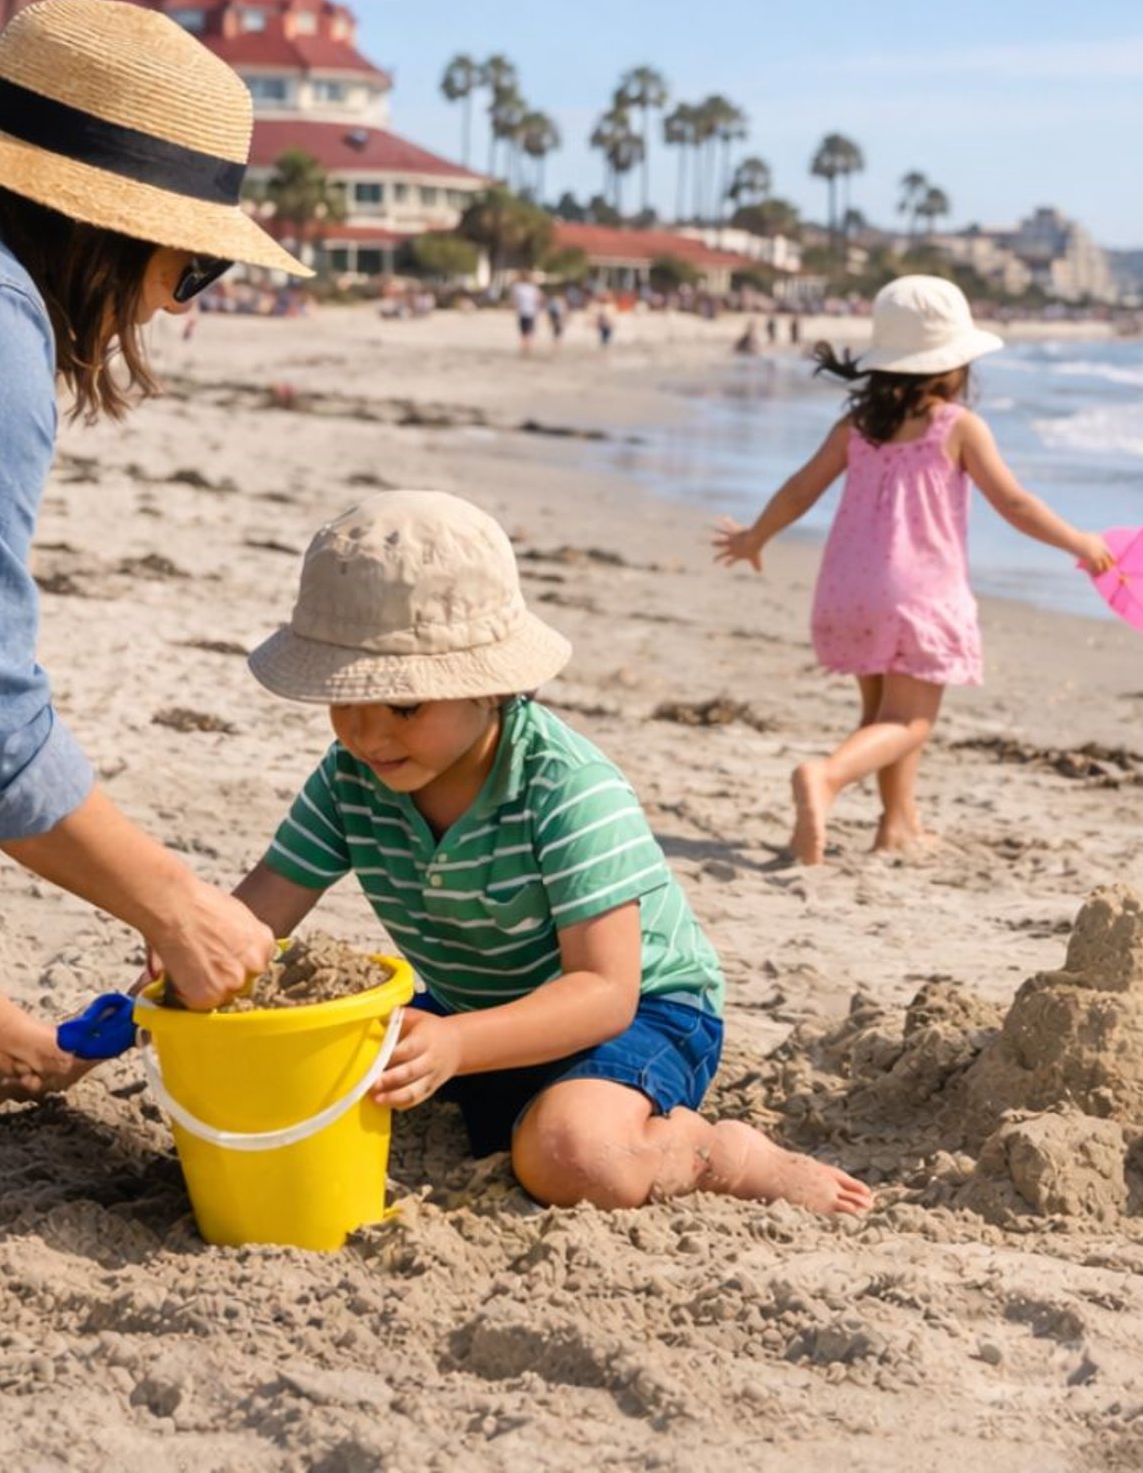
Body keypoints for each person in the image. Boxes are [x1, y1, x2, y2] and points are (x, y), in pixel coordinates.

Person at [231, 490, 872, 1215]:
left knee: (572, 1159)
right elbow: (249, 923)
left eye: (405, 705)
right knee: (281, 1060)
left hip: (641, 1012)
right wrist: (132, 1013)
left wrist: (457, 1045)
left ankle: (723, 1155)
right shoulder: (351, 779)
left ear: (492, 685)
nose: (369, 734)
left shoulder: (565, 785)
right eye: (345, 698)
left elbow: (604, 991)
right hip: (474, 1009)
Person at [0, 0, 305, 1100]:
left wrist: (11, 1053)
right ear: (111, 228)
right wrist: (178, 904)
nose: (180, 307)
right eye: (195, 269)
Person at [714, 275, 1114, 864]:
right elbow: (1015, 504)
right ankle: (824, 777)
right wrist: (1079, 541)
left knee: (883, 715)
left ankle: (897, 824)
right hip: (917, 594)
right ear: (952, 366)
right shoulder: (955, 427)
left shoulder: (855, 427)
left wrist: (756, 536)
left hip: (848, 589)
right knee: (912, 722)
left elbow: (802, 488)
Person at [508, 273, 542, 355]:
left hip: (522, 312)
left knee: (523, 332)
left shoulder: (518, 287)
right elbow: (538, 299)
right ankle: (529, 348)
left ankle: (523, 349)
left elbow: (513, 295)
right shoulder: (533, 288)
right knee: (530, 331)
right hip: (531, 312)